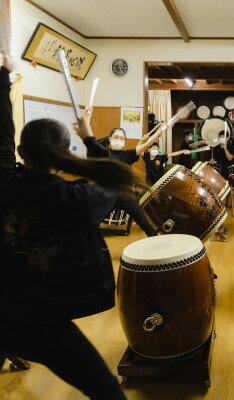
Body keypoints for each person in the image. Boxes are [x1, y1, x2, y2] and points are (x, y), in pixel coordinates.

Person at [0, 55, 132, 399]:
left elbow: (1, 131)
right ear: (63, 152)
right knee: (108, 393)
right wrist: (89, 139)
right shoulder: (75, 199)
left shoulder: (4, 182)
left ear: (19, 151)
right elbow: (111, 178)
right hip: (42, 322)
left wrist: (4, 77)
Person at [87, 122, 163, 237]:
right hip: (106, 196)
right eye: (116, 137)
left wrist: (161, 131)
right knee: (90, 224)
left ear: (125, 141)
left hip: (125, 196)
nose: (118, 140)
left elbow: (148, 144)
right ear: (110, 139)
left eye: (122, 138)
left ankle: (157, 243)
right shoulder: (103, 154)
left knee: (145, 224)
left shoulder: (128, 154)